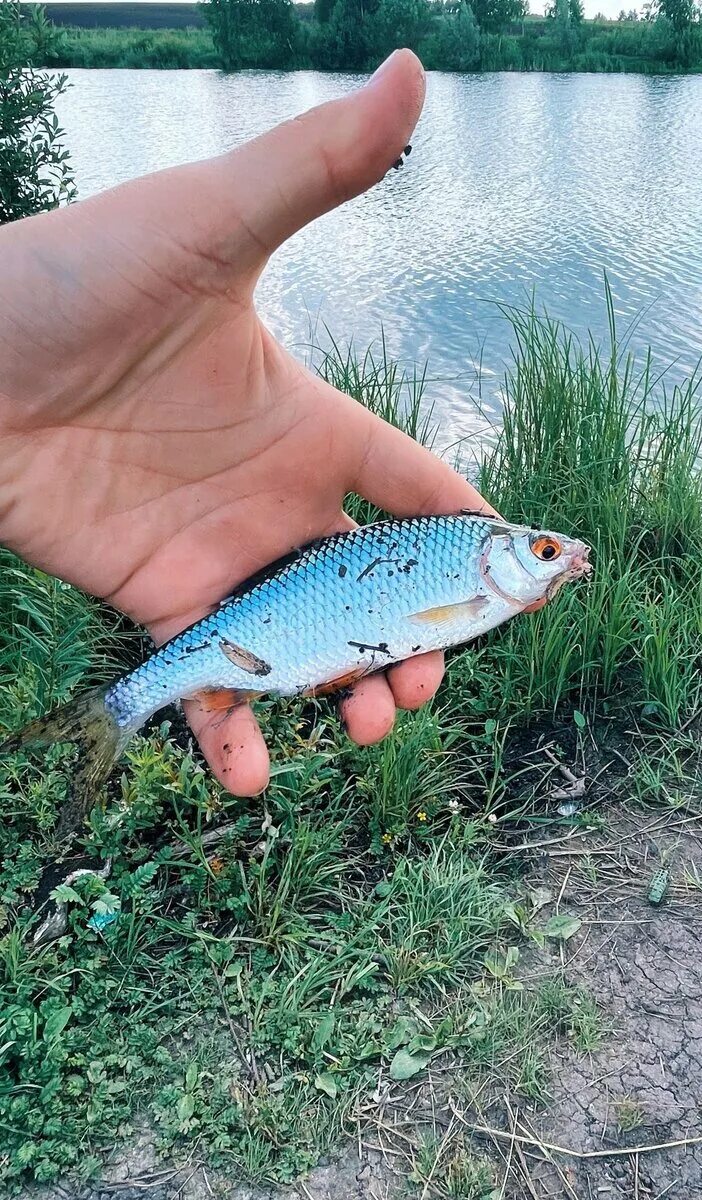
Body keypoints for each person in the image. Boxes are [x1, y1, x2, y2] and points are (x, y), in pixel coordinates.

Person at [0, 50, 490, 798]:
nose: (557, 555)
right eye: (547, 549)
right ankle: (121, 709)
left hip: (277, 627)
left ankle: (128, 707)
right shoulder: (475, 556)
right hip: (268, 621)